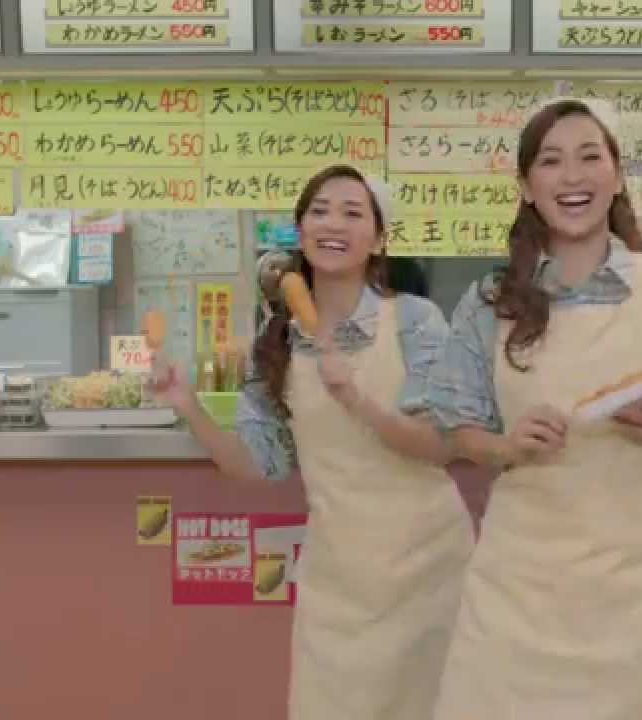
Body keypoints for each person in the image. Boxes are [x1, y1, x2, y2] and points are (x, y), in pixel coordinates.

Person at [426, 98, 642, 719]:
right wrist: (507, 445)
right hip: (518, 586)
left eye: (589, 157)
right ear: (526, 185)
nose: (572, 177)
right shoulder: (490, 299)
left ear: (617, 174)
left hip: (635, 585)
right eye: (551, 161)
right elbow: (458, 426)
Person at [153, 165, 473, 720]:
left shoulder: (415, 321)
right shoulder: (277, 340)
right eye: (319, 212)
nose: (333, 224)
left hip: (430, 569)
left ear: (378, 239)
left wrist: (357, 400)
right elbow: (259, 464)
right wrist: (188, 406)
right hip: (337, 576)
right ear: (300, 233)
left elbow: (443, 444)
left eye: (353, 213)